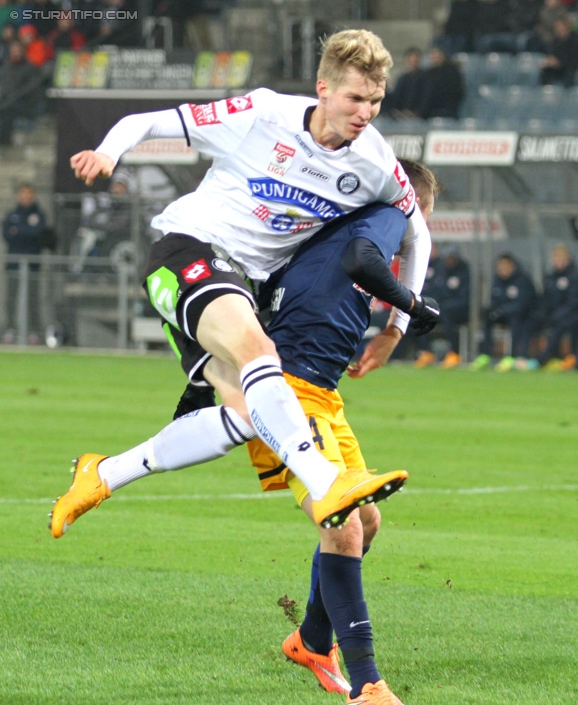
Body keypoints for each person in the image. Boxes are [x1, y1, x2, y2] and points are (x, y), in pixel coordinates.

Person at [50, 29, 434, 538]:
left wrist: (395, 329)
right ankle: (325, 481)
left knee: (252, 417)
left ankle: (104, 473)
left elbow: (417, 234)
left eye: (376, 101)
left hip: (240, 286)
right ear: (323, 88)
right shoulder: (262, 113)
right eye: (356, 98)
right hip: (187, 251)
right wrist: (108, 152)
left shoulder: (375, 161)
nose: (366, 112)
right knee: (260, 354)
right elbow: (145, 121)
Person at [247, 160, 441, 705]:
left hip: (318, 392)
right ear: (415, 207)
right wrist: (409, 309)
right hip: (287, 392)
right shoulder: (386, 212)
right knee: (344, 525)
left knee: (367, 521)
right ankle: (367, 686)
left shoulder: (333, 227)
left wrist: (389, 330)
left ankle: (311, 640)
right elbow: (363, 260)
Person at [2, 183, 52, 342]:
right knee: (11, 299)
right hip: (14, 264)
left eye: (28, 194)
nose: (26, 197)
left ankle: (34, 331)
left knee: (33, 299)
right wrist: (25, 231)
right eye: (23, 194)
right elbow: (7, 235)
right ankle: (10, 329)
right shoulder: (12, 215)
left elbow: (37, 234)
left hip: (32, 265)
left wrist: (19, 230)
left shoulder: (39, 215)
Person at [473, 252, 537, 371]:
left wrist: (503, 311)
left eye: (504, 266)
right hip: (503, 314)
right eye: (500, 266)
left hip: (523, 316)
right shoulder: (497, 280)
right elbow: (494, 300)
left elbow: (523, 304)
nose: (502, 269)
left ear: (512, 266)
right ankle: (485, 355)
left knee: (516, 321)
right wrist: (493, 311)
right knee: (487, 319)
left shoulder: (522, 281)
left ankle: (512, 357)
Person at [416, 244, 470, 368]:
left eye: (451, 258)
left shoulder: (463, 271)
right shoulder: (441, 271)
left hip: (460, 310)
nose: (449, 261)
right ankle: (427, 352)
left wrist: (445, 305)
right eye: (447, 258)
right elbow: (436, 291)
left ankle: (454, 353)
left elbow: (464, 297)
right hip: (442, 308)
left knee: (447, 317)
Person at [536, 243, 578, 370]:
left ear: (568, 259)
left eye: (561, 257)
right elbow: (545, 299)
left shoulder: (575, 276)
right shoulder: (550, 277)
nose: (558, 261)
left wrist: (558, 314)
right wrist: (544, 314)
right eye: (556, 257)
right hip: (553, 315)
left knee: (563, 324)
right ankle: (526, 357)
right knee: (532, 321)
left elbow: (575, 302)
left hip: (572, 315)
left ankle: (547, 359)